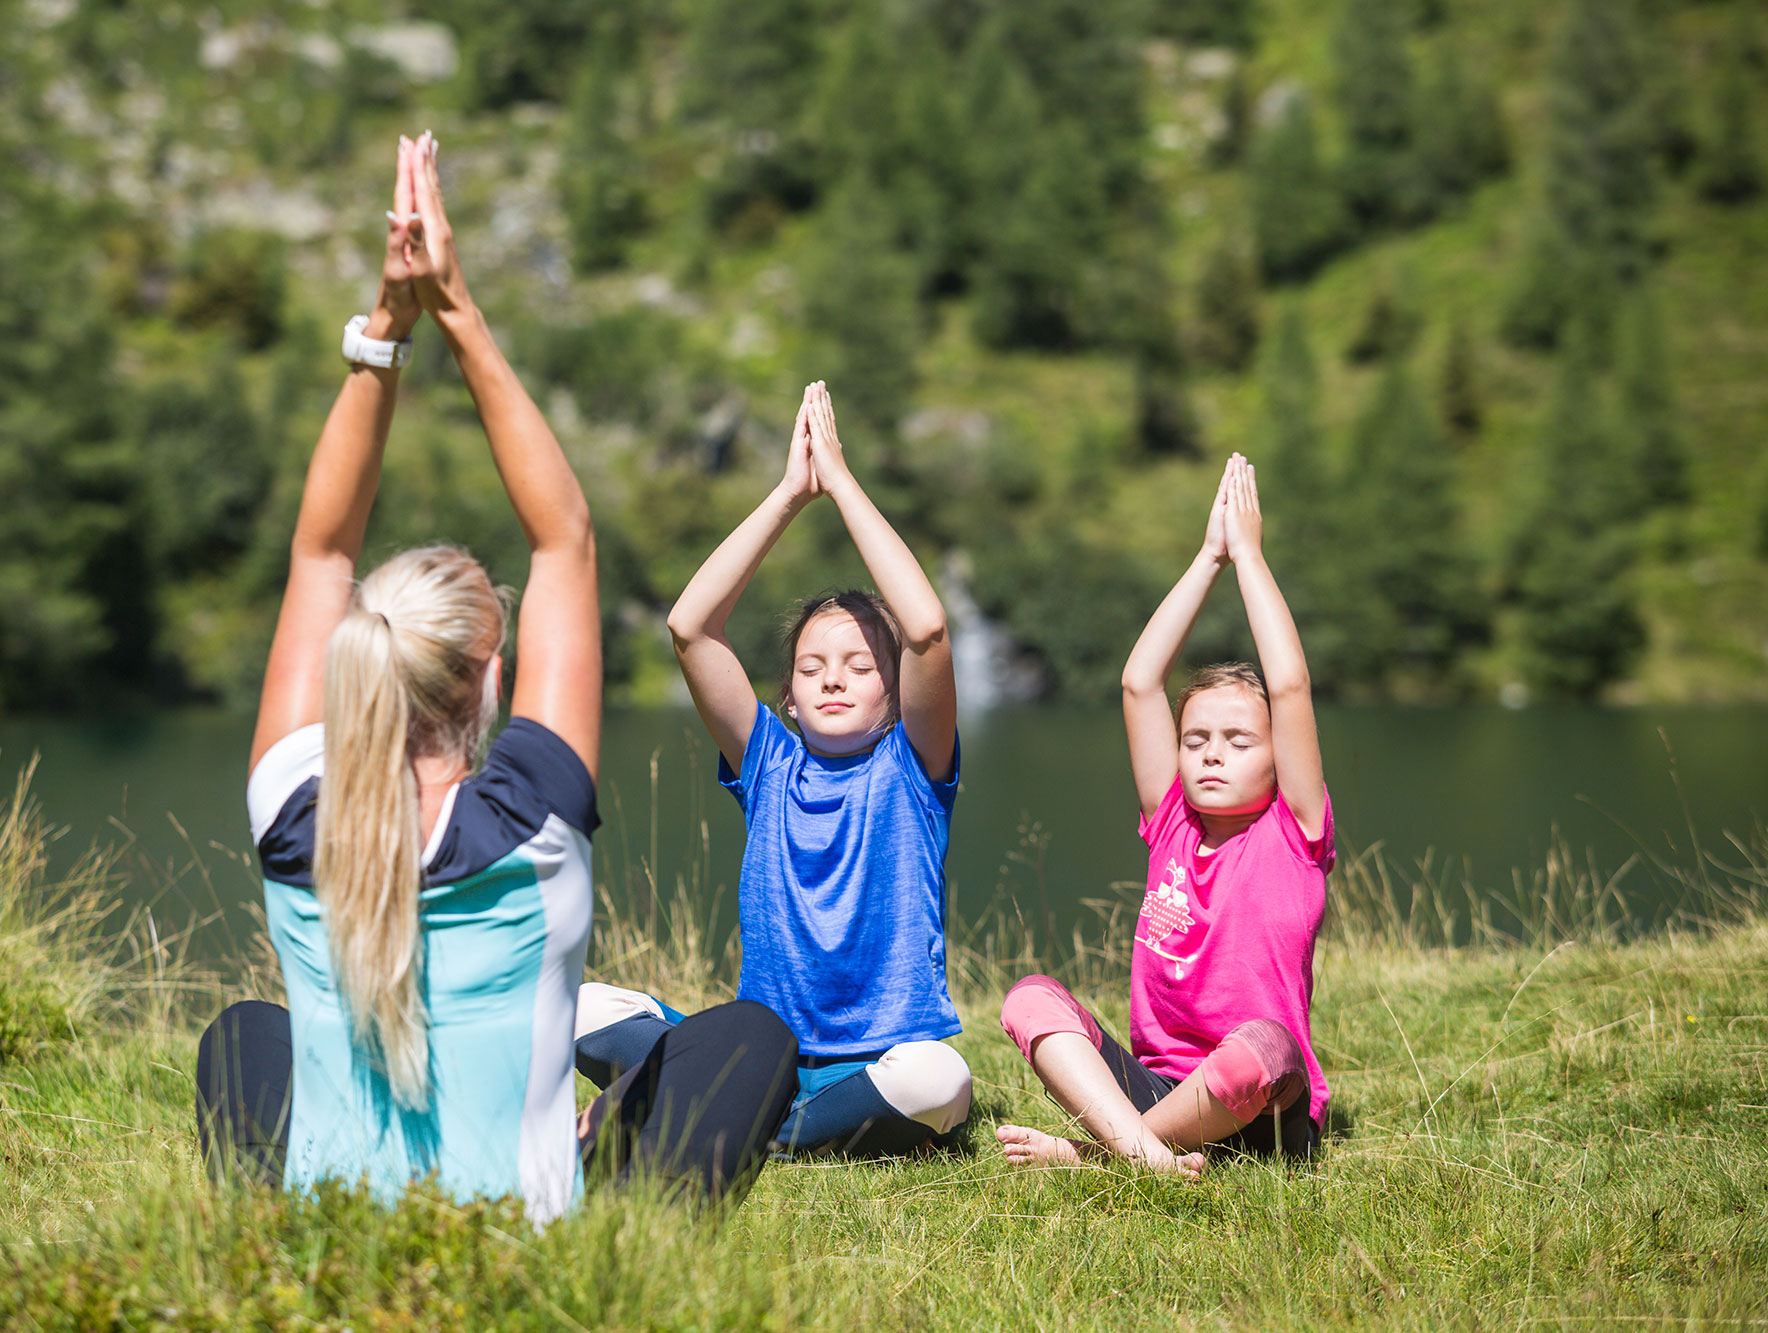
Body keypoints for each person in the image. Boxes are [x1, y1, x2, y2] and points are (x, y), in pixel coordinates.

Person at [196, 133, 795, 1220]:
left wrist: (386, 326)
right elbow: (562, 537)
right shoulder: (532, 820)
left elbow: (319, 551)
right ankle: (625, 1215)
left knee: (245, 1033)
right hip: (514, 1244)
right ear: (488, 678)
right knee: (745, 1039)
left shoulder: (291, 813)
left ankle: (270, 1218)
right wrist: (458, 309)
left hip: (341, 1247)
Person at [575, 383, 973, 1158]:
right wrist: (790, 494)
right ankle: (739, 1099)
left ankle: (752, 1127)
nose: (833, 678)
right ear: (784, 695)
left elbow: (925, 627)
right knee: (573, 1004)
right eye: (813, 665)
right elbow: (690, 626)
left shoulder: (912, 770)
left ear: (895, 695)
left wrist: (842, 484)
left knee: (942, 1081)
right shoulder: (766, 762)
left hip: (880, 1061)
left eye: (860, 665)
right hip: (761, 1053)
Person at [995, 454, 1332, 1176]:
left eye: (1238, 741)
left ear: (1279, 759)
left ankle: (1102, 1152)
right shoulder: (1172, 820)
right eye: (1195, 740)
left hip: (1262, 1110)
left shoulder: (1293, 832)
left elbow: (1292, 684)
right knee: (1029, 999)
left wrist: (1247, 557)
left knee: (1264, 1046)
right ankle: (1145, 1152)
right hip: (1157, 1089)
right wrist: (1205, 556)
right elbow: (1140, 680)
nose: (1211, 755)